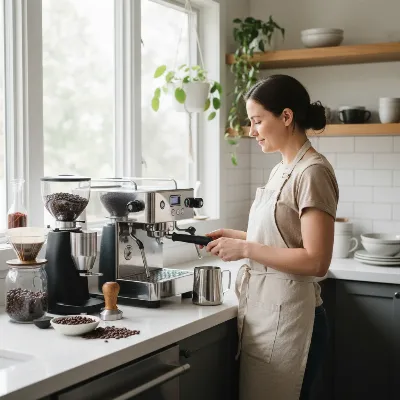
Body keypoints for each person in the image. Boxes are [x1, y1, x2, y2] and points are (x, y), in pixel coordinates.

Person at [205, 74, 339, 400]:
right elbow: (284, 238)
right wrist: (235, 238)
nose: (251, 132)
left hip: (293, 319)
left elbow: (316, 260)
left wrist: (247, 247)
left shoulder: (313, 172)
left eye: (257, 121)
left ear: (287, 117)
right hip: (268, 313)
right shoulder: (283, 167)